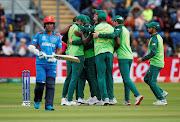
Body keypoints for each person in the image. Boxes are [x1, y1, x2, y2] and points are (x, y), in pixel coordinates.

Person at [93, 15, 143, 105]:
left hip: (123, 56)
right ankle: (127, 100)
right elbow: (130, 41)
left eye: (113, 21)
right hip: (129, 55)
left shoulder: (118, 29)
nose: (112, 23)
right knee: (126, 79)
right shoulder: (127, 30)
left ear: (116, 22)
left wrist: (99, 35)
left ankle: (137, 95)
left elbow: (113, 35)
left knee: (126, 79)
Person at [78, 11, 120, 105]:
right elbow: (118, 42)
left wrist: (80, 34)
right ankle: (111, 98)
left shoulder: (95, 28)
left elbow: (86, 41)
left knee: (101, 76)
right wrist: (112, 49)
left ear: (99, 19)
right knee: (109, 76)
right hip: (109, 54)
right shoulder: (111, 27)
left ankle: (104, 98)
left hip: (99, 54)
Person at [28, 16, 62, 110]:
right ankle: (37, 99)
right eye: (47, 24)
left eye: (51, 24)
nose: (49, 25)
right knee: (40, 83)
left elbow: (60, 49)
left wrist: (55, 56)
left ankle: (48, 105)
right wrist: (39, 53)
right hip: (40, 63)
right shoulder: (39, 35)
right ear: (45, 25)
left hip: (52, 64)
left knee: (51, 84)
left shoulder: (57, 37)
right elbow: (31, 47)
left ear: (53, 25)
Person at [137, 22, 168, 105]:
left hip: (156, 63)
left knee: (152, 82)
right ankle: (161, 92)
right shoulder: (158, 37)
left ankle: (161, 99)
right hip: (157, 61)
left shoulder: (154, 38)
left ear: (154, 29)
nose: (148, 29)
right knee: (146, 79)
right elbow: (159, 50)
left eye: (149, 28)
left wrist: (142, 59)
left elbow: (153, 52)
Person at [62, 15, 88, 106]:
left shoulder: (71, 27)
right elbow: (86, 39)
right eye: (83, 22)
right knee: (75, 77)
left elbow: (62, 36)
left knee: (69, 77)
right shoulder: (79, 27)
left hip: (69, 53)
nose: (84, 24)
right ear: (79, 21)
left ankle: (63, 98)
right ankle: (69, 99)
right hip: (78, 54)